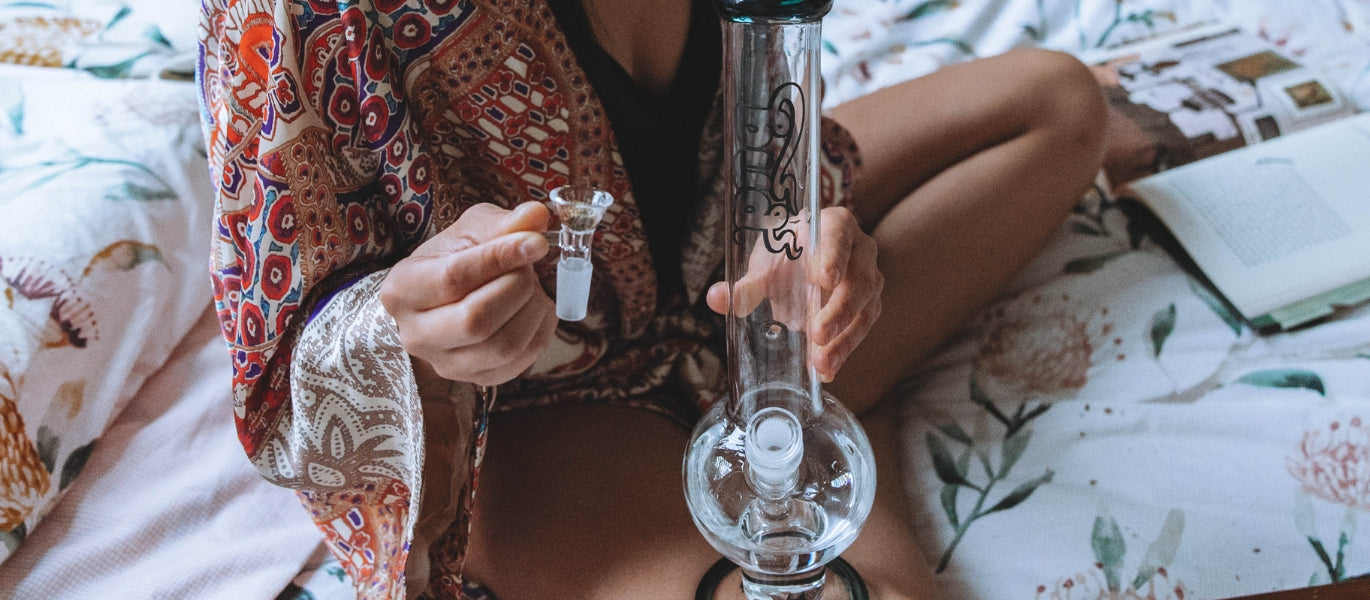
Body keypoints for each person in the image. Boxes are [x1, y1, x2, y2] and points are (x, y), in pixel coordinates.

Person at [196, 0, 1106, 597]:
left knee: (1059, 100)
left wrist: (805, 230)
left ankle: (801, 385)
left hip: (717, 260)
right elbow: (283, 402)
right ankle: (829, 405)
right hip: (540, 404)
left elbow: (762, 118)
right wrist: (412, 323)